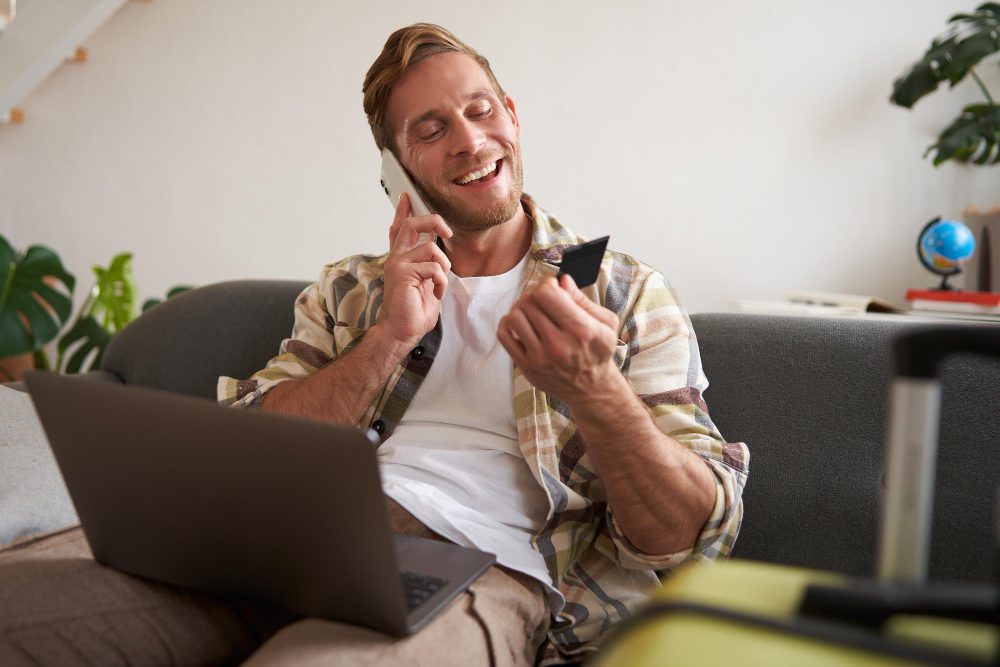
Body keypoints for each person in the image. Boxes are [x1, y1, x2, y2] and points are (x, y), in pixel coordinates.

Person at [0, 23, 747, 667]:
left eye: (480, 111)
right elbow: (252, 449)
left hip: (475, 569)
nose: (468, 141)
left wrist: (595, 388)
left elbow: (684, 534)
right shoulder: (353, 290)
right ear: (397, 170)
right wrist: (389, 337)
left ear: (512, 118)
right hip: (279, 542)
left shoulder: (622, 291)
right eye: (430, 129)